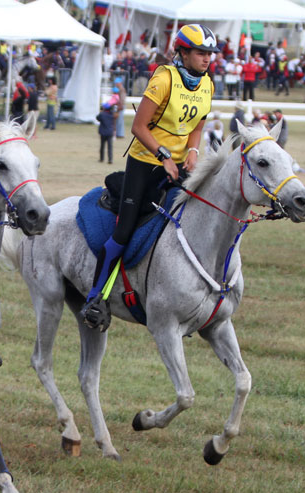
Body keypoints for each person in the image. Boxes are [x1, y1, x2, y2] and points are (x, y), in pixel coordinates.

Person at [79, 23, 217, 331]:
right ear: (182, 52)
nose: (207, 58)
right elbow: (138, 128)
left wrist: (193, 152)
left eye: (210, 53)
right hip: (145, 162)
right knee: (125, 230)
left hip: (181, 165)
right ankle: (95, 297)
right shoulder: (163, 78)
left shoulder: (208, 83)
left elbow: (197, 127)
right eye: (200, 52)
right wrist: (164, 156)